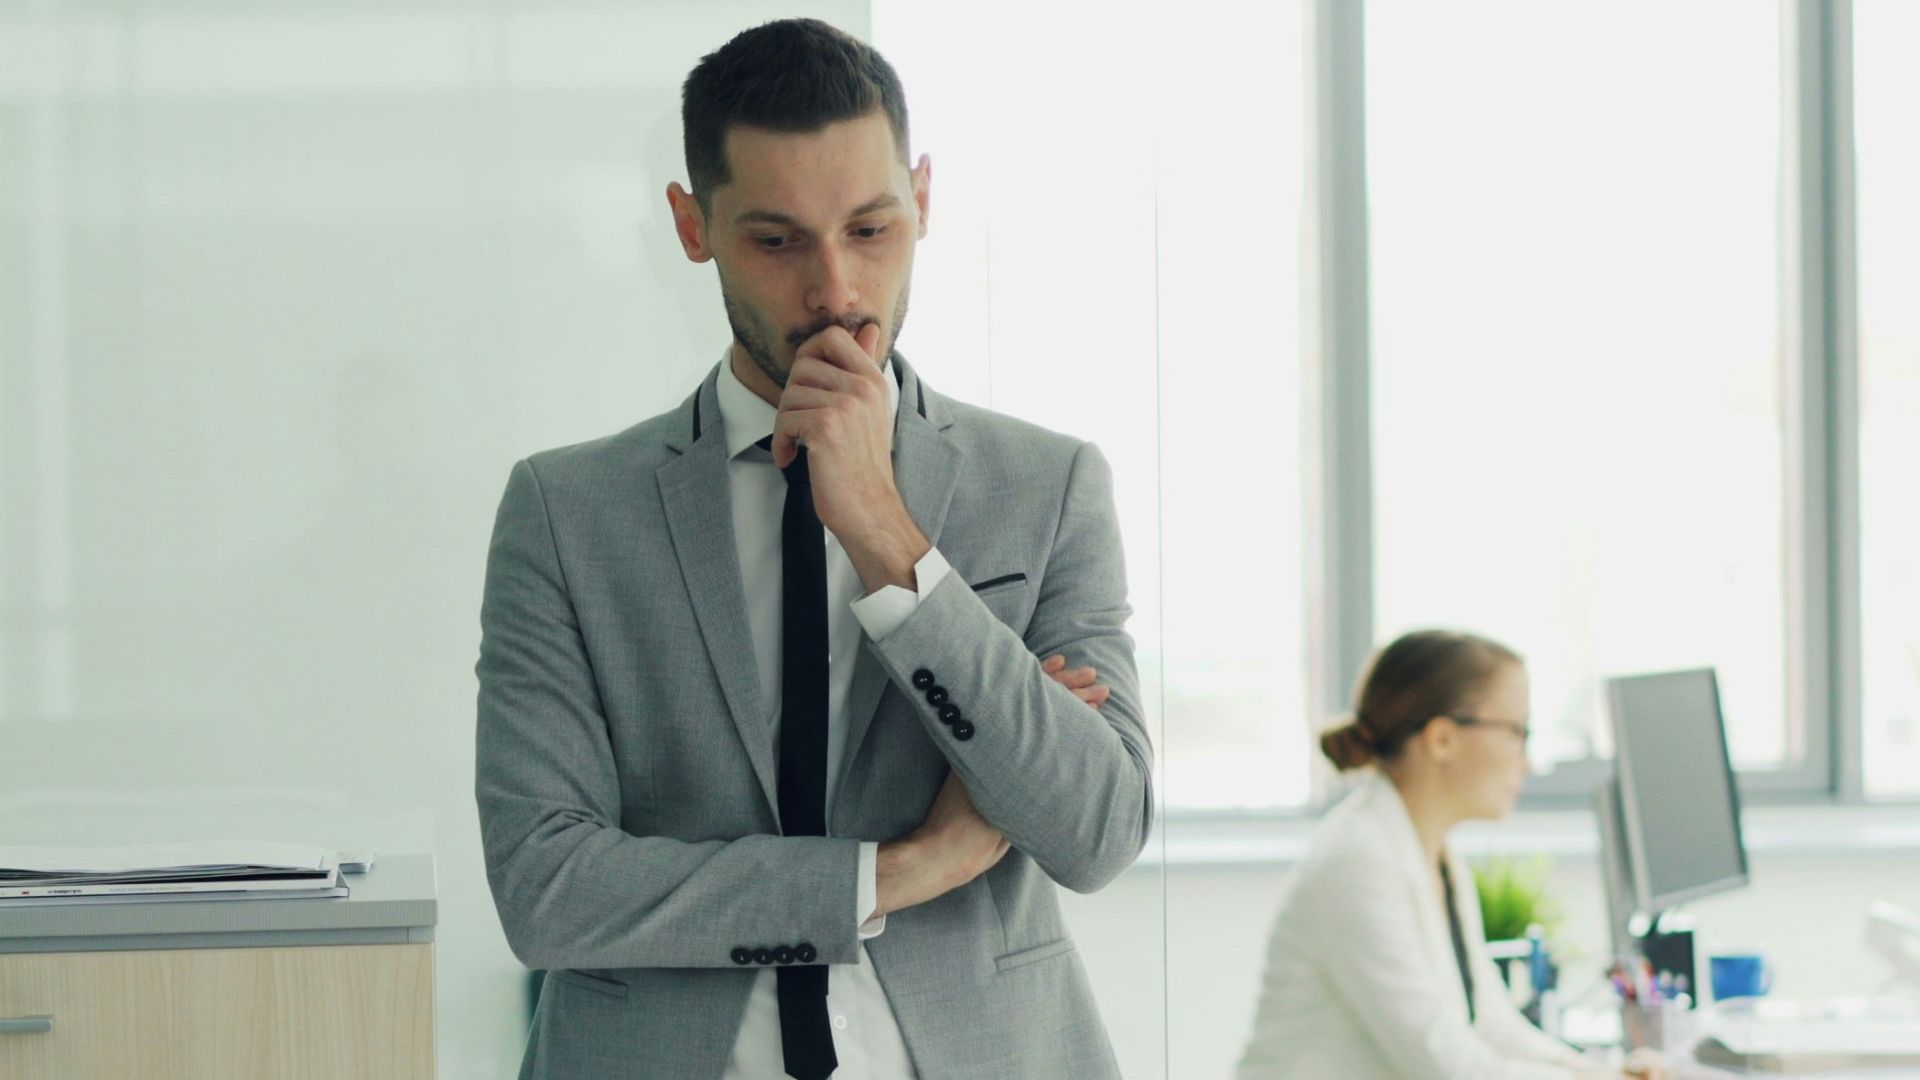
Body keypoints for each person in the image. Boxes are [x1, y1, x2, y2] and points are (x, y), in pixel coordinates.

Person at [473, 18, 1151, 1080]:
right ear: (693, 228)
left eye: (872, 229)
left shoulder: (1048, 488)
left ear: (923, 199)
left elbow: (1097, 829)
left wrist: (886, 532)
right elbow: (547, 890)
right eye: (778, 241)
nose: (835, 288)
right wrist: (899, 873)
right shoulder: (568, 513)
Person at [1236, 629, 1673, 1080]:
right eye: (1518, 732)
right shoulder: (1358, 861)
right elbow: (1447, 1063)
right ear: (1442, 738)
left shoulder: (1433, 851)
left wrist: (1605, 1073)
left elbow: (1492, 1026)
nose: (1529, 763)